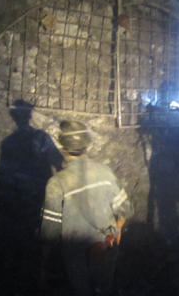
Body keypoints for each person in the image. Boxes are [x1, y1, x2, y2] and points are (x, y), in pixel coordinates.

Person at [39, 120, 133, 296]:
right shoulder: (105, 172)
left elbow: (49, 234)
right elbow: (124, 210)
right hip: (107, 245)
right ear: (87, 144)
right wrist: (117, 234)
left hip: (77, 256)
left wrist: (44, 268)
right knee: (104, 287)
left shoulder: (56, 183)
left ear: (63, 147)